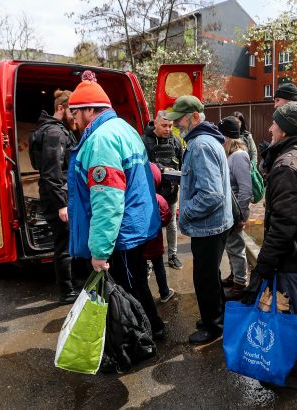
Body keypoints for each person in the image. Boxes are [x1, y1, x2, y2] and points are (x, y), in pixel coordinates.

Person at [67, 70, 166, 340]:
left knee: (128, 289)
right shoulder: (123, 128)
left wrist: (99, 250)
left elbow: (107, 201)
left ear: (88, 110)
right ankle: (152, 328)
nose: (74, 121)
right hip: (134, 226)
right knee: (136, 283)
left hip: (122, 233)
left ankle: (146, 335)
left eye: (75, 114)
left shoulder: (101, 141)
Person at [245, 101, 297, 390]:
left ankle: (293, 374)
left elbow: (282, 226)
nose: (270, 128)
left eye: (275, 124)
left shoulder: (286, 165)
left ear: (285, 131)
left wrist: (263, 268)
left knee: (284, 315)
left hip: (290, 257)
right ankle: (290, 370)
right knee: (292, 311)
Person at [165, 95, 234, 345]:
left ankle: (213, 326)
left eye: (180, 120)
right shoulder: (205, 140)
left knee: (204, 278)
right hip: (215, 223)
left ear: (195, 116)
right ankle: (217, 317)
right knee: (210, 275)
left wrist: (185, 212)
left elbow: (211, 194)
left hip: (209, 226)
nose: (177, 125)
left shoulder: (200, 145)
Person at [32, 89, 80, 304]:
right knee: (64, 245)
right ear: (61, 109)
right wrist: (62, 205)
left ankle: (74, 283)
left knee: (68, 242)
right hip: (58, 198)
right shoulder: (54, 133)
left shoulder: (54, 129)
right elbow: (52, 173)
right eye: (73, 111)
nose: (76, 115)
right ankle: (67, 292)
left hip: (59, 194)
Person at [142, 111, 183, 270]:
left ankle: (172, 255)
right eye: (164, 125)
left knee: (172, 223)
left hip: (170, 191)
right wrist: (160, 168)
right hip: (151, 192)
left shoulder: (176, 142)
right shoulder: (144, 141)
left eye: (170, 126)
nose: (167, 129)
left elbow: (182, 164)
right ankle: (149, 260)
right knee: (151, 224)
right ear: (155, 123)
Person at [217, 116, 252, 300]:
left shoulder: (239, 156)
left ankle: (240, 283)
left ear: (227, 137)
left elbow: (245, 189)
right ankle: (234, 276)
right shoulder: (230, 154)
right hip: (231, 210)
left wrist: (241, 215)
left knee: (237, 247)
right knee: (231, 247)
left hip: (237, 211)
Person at [143, 163, 176, 303]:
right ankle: (164, 292)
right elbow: (166, 217)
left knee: (141, 269)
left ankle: (144, 296)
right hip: (155, 242)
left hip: (138, 244)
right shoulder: (157, 198)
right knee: (159, 267)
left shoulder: (131, 197)